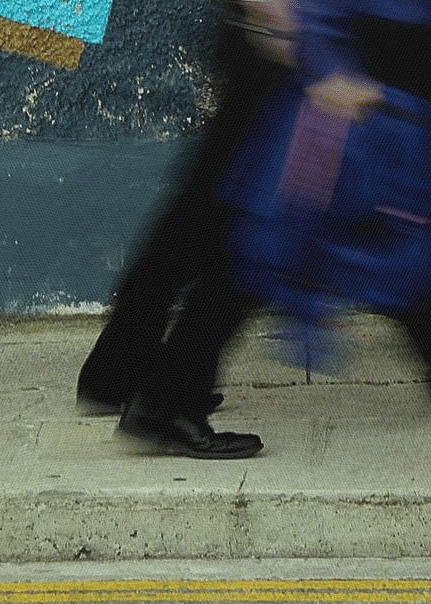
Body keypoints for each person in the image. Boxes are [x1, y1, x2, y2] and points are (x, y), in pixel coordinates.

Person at [110, 0, 431, 459]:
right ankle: (161, 398)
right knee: (272, 246)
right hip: (356, 75)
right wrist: (321, 60)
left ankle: (160, 397)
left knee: (282, 244)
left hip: (371, 69)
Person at [77, 1, 300, 457]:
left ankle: (118, 370)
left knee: (204, 212)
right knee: (250, 230)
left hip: (276, 37)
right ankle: (163, 401)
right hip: (285, 38)